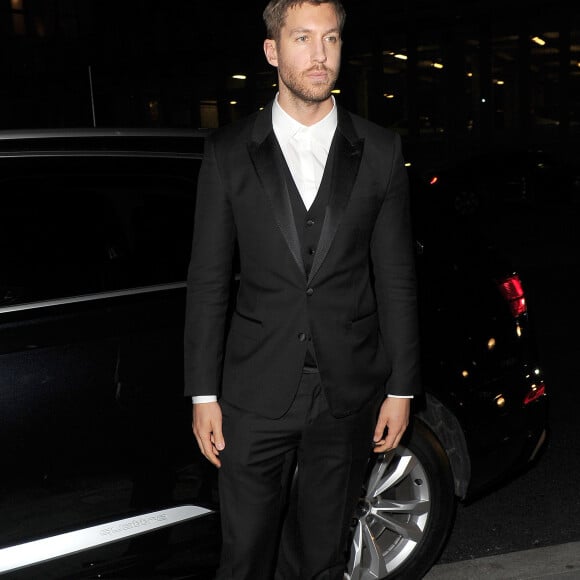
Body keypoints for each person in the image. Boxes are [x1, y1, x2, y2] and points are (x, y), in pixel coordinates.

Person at [183, 0, 422, 578]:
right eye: (303, 39)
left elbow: (395, 278)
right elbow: (209, 280)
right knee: (243, 556)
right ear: (272, 51)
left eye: (332, 39)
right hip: (253, 392)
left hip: (347, 392)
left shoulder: (382, 150)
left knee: (320, 557)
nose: (320, 56)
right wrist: (202, 394)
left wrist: (402, 388)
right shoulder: (228, 152)